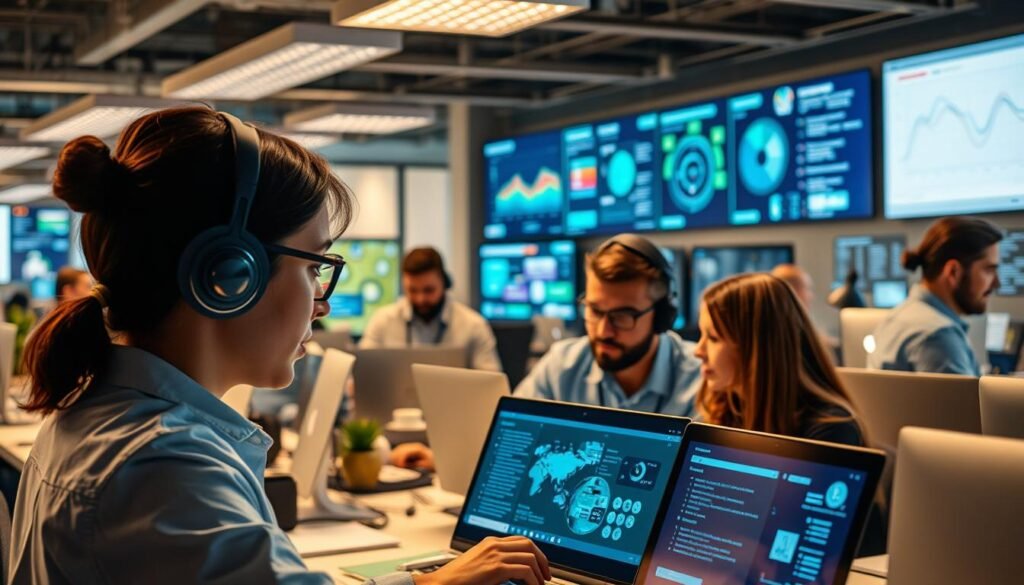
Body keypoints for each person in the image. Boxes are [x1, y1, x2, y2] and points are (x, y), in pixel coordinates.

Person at [10, 107, 549, 585]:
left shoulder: (103, 413)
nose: (321, 303)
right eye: (314, 267)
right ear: (229, 276)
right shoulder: (163, 469)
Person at [515, 234, 701, 416]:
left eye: (622, 316)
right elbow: (513, 429)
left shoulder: (702, 380)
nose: (603, 331)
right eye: (594, 311)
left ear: (660, 316)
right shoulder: (560, 367)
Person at [695, 272, 866, 446]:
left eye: (713, 338)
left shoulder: (830, 432)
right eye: (701, 335)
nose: (698, 351)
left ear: (758, 347)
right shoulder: (726, 411)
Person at [868, 216, 1003, 376]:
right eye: (989, 270)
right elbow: (962, 395)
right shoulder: (938, 335)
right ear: (953, 272)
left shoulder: (894, 318)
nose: (997, 283)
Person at [360, 246, 501, 372]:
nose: (420, 299)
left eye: (428, 290)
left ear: (445, 283)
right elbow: (362, 372)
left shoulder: (474, 326)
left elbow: (491, 383)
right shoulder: (382, 321)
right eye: (412, 290)